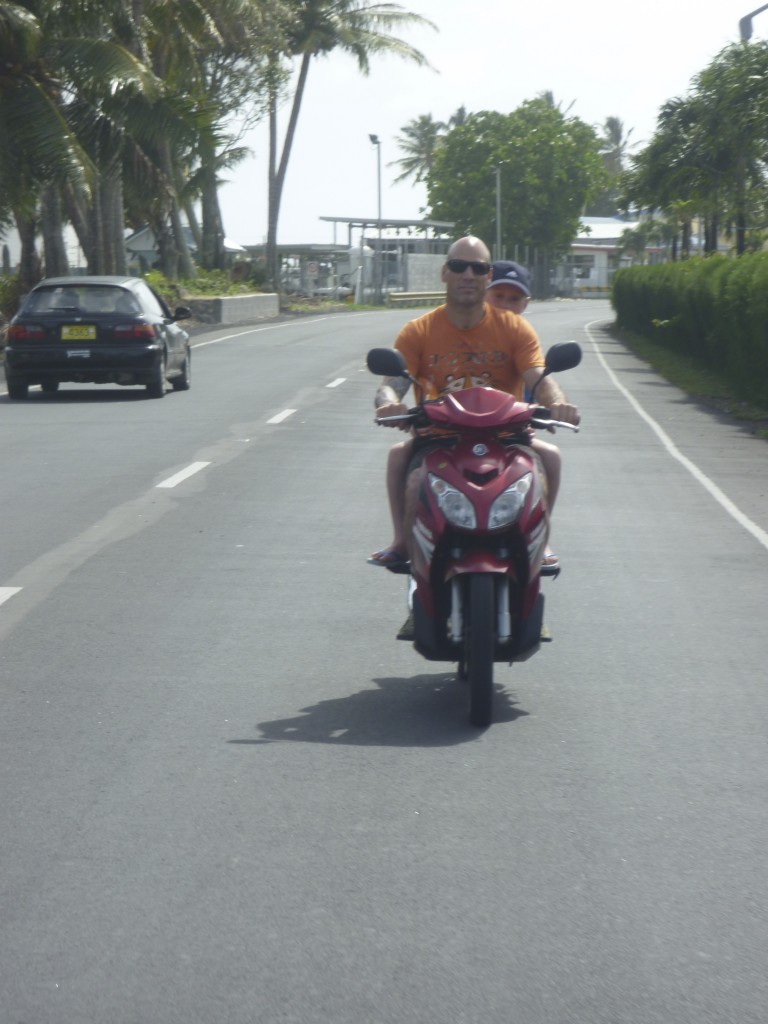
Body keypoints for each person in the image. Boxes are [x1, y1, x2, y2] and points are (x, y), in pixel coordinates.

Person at [368, 237, 579, 574]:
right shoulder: (418, 331)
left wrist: (558, 404)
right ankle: (404, 545)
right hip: (439, 439)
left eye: (477, 268)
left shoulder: (514, 328)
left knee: (547, 463)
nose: (467, 274)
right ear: (444, 273)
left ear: (487, 275)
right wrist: (389, 405)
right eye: (458, 266)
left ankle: (539, 542)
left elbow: (538, 378)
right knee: (407, 474)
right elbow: (391, 387)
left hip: (506, 438)